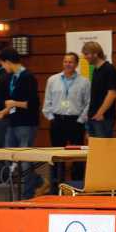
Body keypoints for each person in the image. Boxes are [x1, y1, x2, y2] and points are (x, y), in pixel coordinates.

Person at [0, 47, 43, 199]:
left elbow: (32, 104)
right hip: (13, 122)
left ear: (8, 62)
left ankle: (28, 193)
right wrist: (2, 112)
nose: (3, 68)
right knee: (10, 156)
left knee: (25, 159)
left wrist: (14, 103)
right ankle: (35, 182)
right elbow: (12, 104)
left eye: (3, 64)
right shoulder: (12, 77)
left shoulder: (28, 77)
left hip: (26, 123)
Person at [42, 52, 91, 191]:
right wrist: (52, 118)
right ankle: (55, 187)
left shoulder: (84, 81)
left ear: (76, 64)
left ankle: (78, 187)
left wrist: (81, 120)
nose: (67, 64)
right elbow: (47, 102)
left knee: (77, 157)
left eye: (70, 62)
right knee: (57, 157)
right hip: (57, 121)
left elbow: (89, 103)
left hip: (75, 122)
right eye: (65, 61)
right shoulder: (53, 80)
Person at [82, 41, 116, 138]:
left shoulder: (109, 69)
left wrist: (100, 113)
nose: (85, 57)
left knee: (104, 150)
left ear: (95, 53)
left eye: (86, 54)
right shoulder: (95, 70)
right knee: (94, 150)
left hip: (103, 118)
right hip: (93, 117)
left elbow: (112, 94)